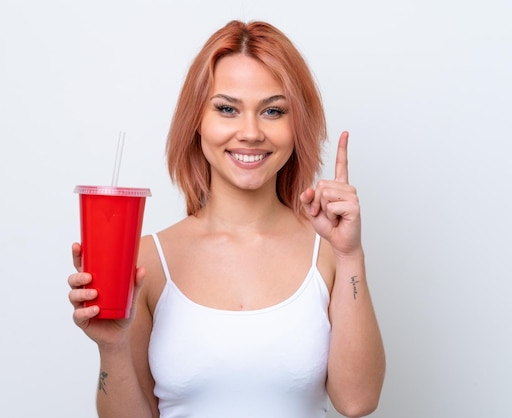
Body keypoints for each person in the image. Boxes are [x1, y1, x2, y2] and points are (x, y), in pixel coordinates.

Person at [68, 20, 385, 418]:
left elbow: (358, 402)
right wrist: (111, 347)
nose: (250, 132)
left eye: (273, 110)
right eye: (227, 109)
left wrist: (350, 255)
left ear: (297, 124)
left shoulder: (329, 254)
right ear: (196, 121)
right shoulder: (147, 260)